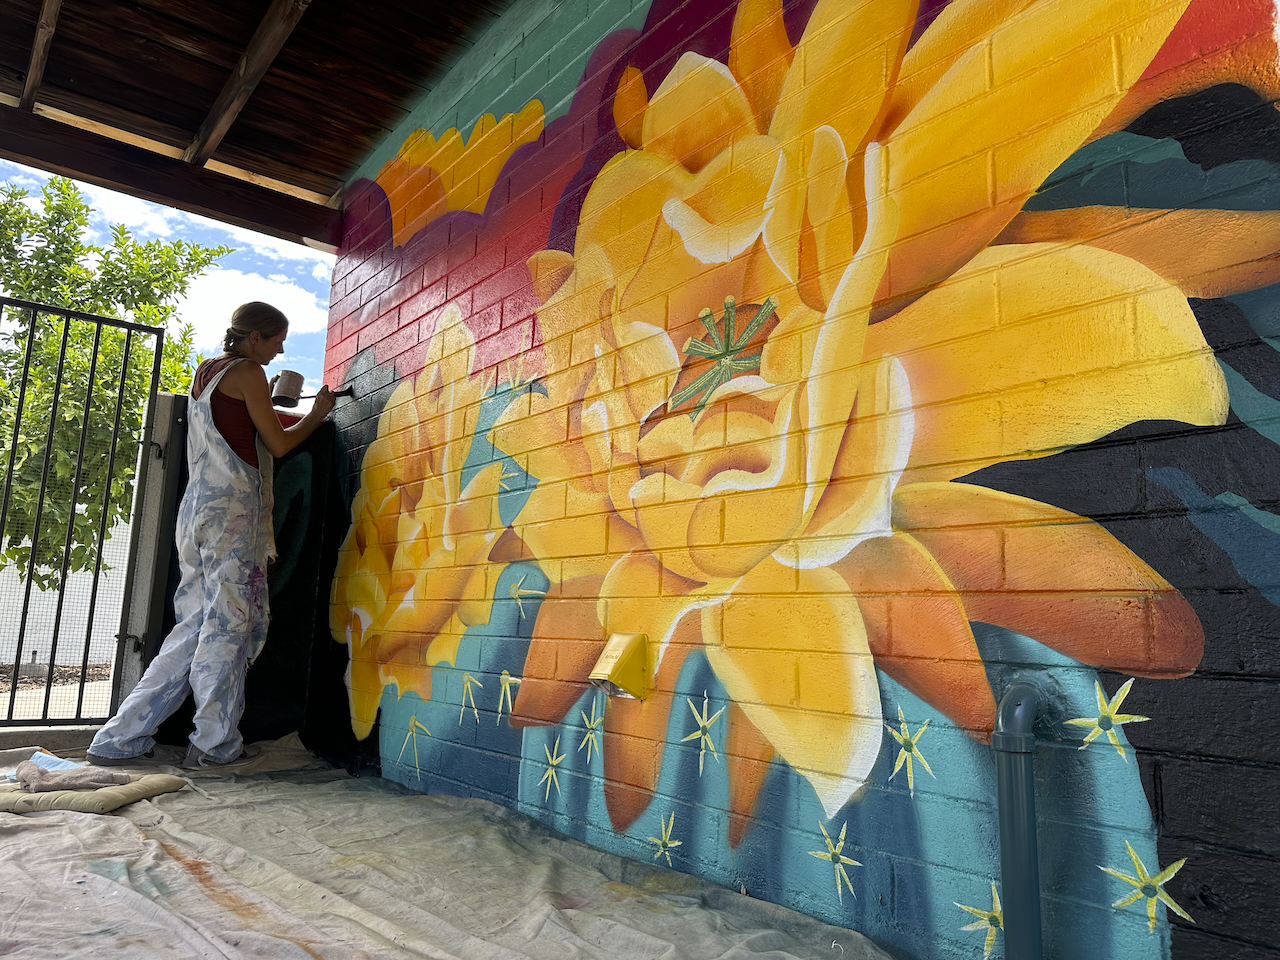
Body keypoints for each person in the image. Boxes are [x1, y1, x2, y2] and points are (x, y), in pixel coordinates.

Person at [88, 302, 336, 768]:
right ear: (255, 337)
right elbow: (280, 444)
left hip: (198, 513)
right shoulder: (247, 373)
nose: (282, 348)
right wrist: (319, 412)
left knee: (192, 628)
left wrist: (283, 407)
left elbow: (247, 430)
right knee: (228, 628)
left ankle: (118, 739)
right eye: (277, 339)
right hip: (233, 516)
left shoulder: (208, 371)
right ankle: (214, 747)